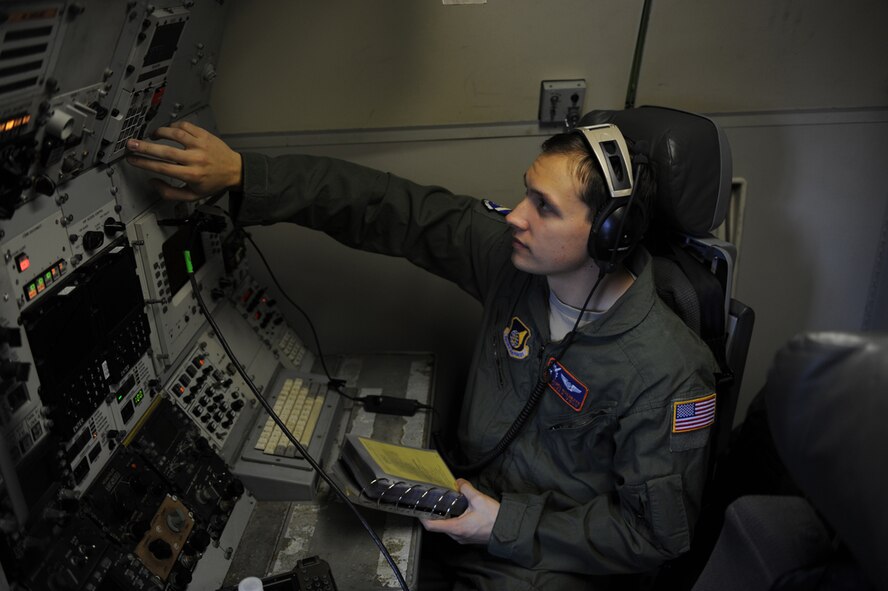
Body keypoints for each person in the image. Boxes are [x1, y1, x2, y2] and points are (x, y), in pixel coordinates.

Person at [126, 120, 718, 590]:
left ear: (610, 234)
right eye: (525, 193)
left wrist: (499, 524)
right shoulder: (516, 267)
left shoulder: (668, 370)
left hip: (543, 564)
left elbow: (654, 535)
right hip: (456, 514)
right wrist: (244, 174)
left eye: (545, 206)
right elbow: (394, 208)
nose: (516, 216)